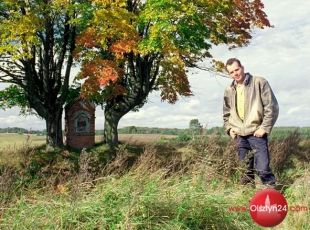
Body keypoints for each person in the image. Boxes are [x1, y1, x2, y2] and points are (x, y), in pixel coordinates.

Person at [223, 58, 279, 188]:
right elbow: (226, 112)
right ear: (229, 74)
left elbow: (272, 107)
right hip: (239, 136)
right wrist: (229, 129)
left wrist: (264, 127)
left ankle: (273, 196)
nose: (235, 74)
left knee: (263, 169)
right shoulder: (229, 89)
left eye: (237, 69)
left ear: (242, 67)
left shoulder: (259, 82)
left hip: (256, 133)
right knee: (245, 171)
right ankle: (247, 197)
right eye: (231, 72)